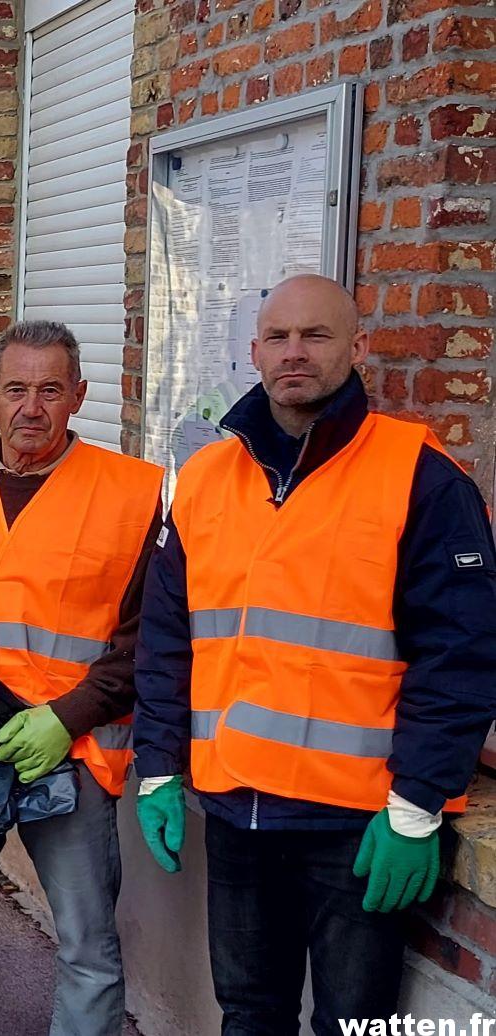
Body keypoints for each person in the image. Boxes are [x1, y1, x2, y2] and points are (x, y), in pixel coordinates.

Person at [133, 274, 496, 1034]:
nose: (294, 353)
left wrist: (416, 806)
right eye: (278, 337)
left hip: (355, 823)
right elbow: (168, 635)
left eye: (317, 335)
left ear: (357, 347)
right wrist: (160, 766)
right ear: (255, 353)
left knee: (351, 1022)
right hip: (235, 810)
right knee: (249, 1013)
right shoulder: (205, 479)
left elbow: (459, 656)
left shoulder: (421, 479)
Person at [0, 321, 162, 1036]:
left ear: (79, 395)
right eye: (16, 389)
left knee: (86, 944)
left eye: (50, 389)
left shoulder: (134, 493)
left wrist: (66, 716)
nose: (31, 408)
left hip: (68, 747)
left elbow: (145, 640)